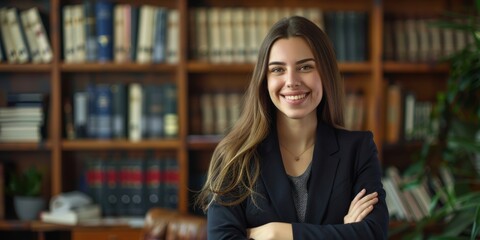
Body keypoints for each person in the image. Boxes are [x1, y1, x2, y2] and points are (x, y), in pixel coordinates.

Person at [196, 16, 389, 239]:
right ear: (264, 80)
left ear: (325, 73)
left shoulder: (358, 149)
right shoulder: (233, 156)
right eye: (277, 69)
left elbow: (374, 234)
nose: (291, 81)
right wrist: (344, 232)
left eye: (305, 67)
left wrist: (277, 232)